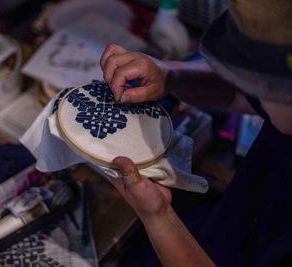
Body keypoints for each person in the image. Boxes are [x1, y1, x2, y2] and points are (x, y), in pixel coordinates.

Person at [99, 0, 292, 266]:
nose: (252, 88)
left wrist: (159, 218)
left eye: (260, 82)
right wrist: (171, 76)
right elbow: (237, 93)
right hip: (226, 226)